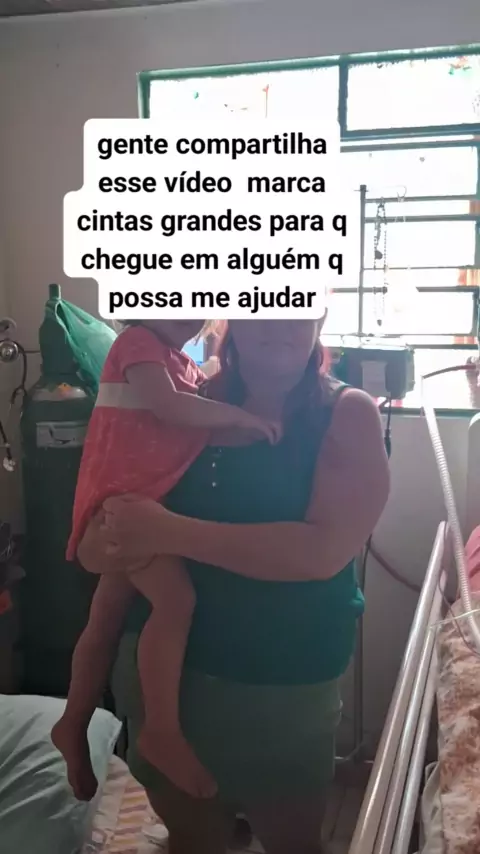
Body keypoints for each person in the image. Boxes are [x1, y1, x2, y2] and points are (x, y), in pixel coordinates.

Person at [79, 318, 390, 854]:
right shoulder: (181, 399)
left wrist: (168, 531)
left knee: (293, 842)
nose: (280, 319)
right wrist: (105, 538)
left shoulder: (345, 413)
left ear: (319, 314)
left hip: (283, 690)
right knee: (191, 840)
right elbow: (97, 534)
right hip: (166, 688)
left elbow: (321, 552)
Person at [51, 319, 280, 803]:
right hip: (123, 504)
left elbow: (191, 412)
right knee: (176, 602)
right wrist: (239, 418)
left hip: (141, 502)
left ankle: (72, 722)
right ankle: (161, 730)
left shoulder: (179, 363)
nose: (185, 312)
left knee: (104, 620)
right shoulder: (137, 344)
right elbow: (169, 407)